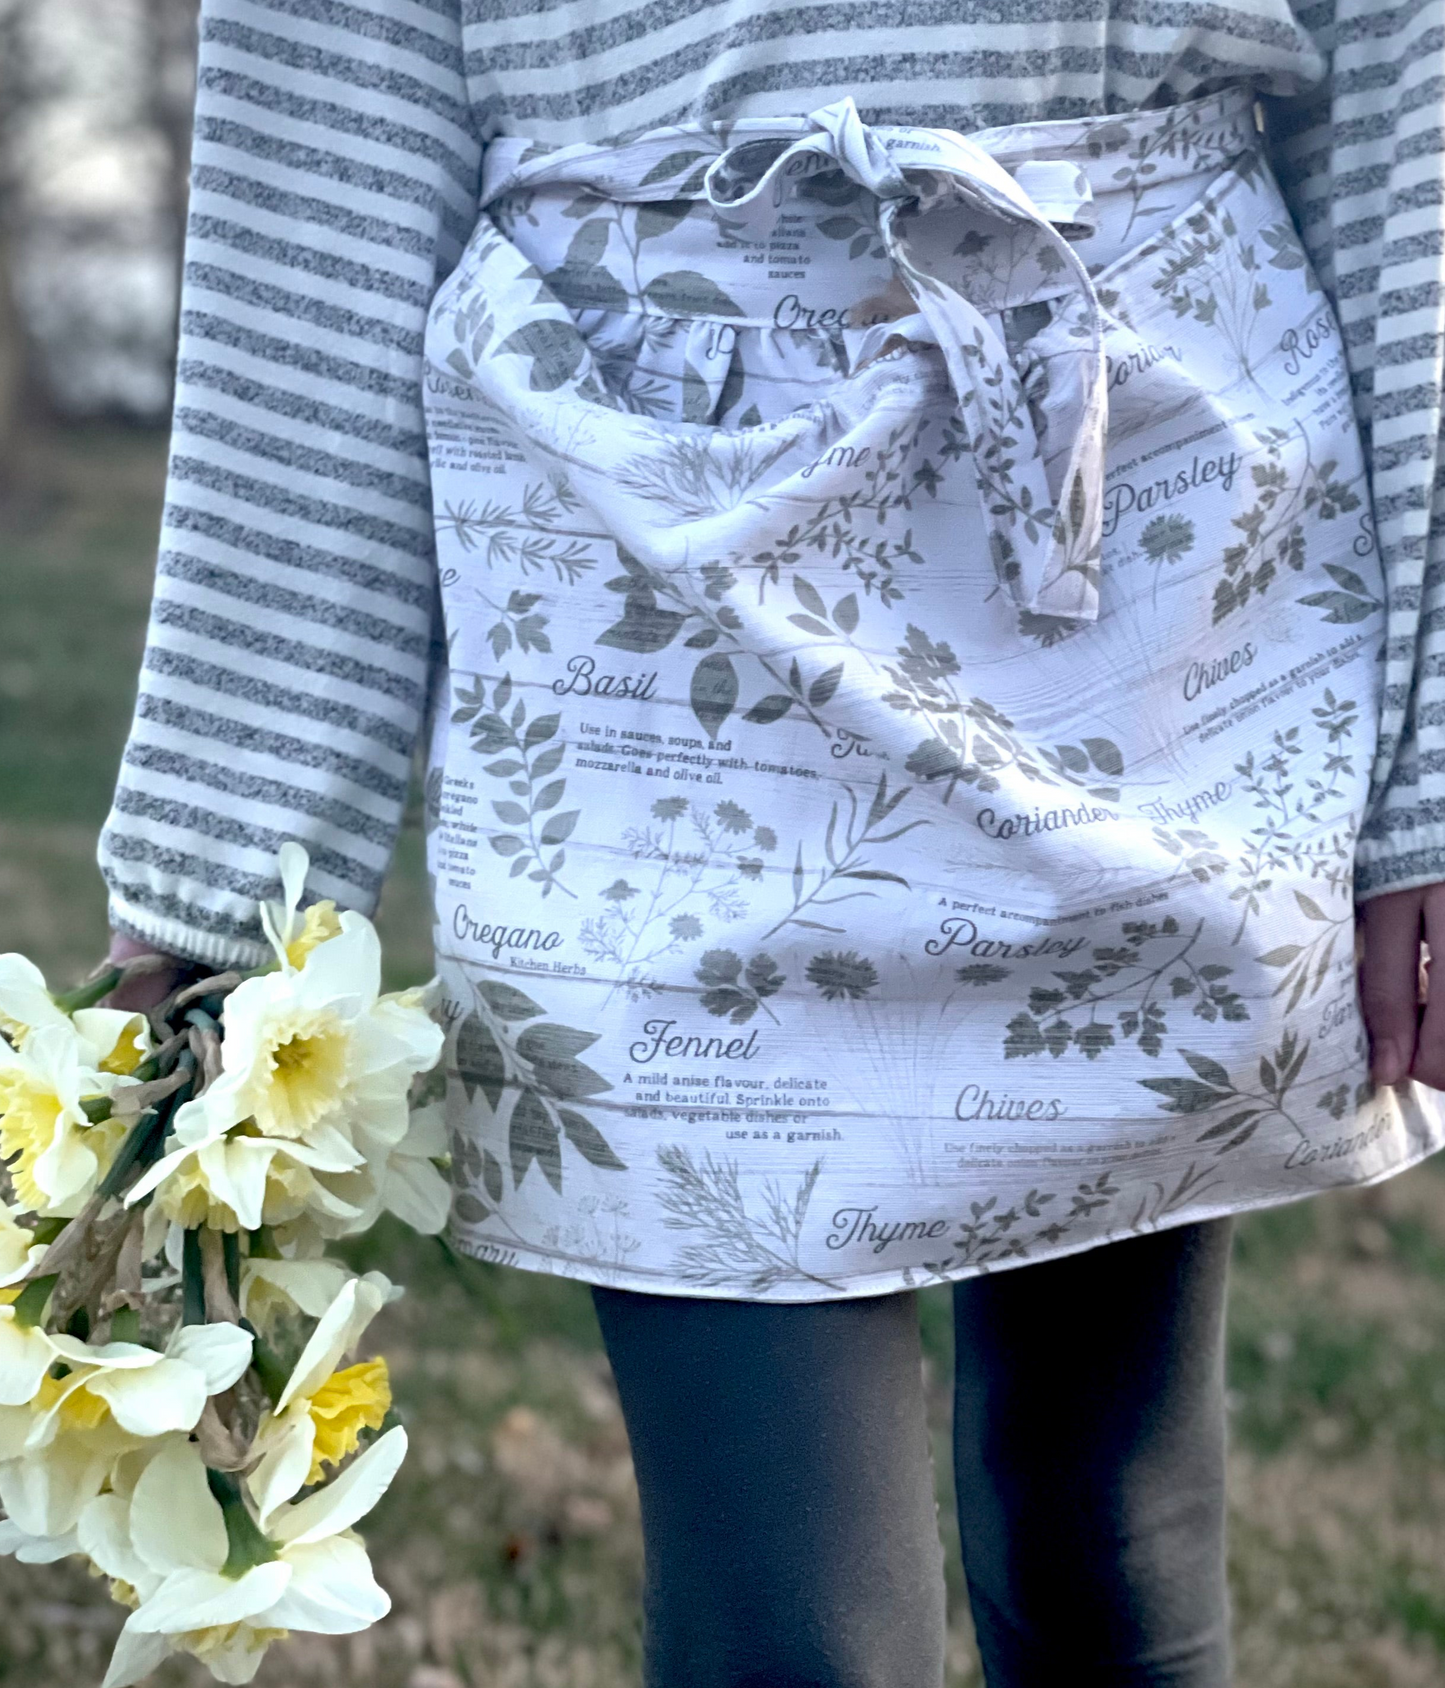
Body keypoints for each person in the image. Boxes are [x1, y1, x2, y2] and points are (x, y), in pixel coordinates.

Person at [103, 3, 1445, 1683]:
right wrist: (226, 866)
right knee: (791, 1635)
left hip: (1156, 545)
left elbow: (1409, 91)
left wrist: (1435, 760)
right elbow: (323, 182)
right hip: (639, 609)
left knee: (1112, 1537)